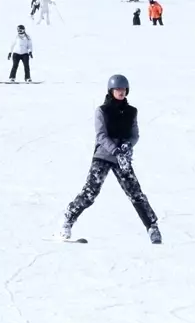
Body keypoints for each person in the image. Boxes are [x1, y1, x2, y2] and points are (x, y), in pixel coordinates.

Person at [61, 75, 162, 244]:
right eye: (118, 89)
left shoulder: (131, 111)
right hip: (104, 155)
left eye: (123, 89)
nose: (121, 92)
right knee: (90, 192)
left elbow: (134, 134)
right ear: (111, 91)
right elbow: (101, 135)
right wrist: (116, 151)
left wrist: (127, 146)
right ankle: (68, 218)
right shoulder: (102, 111)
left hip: (122, 156)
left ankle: (152, 227)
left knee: (135, 192)